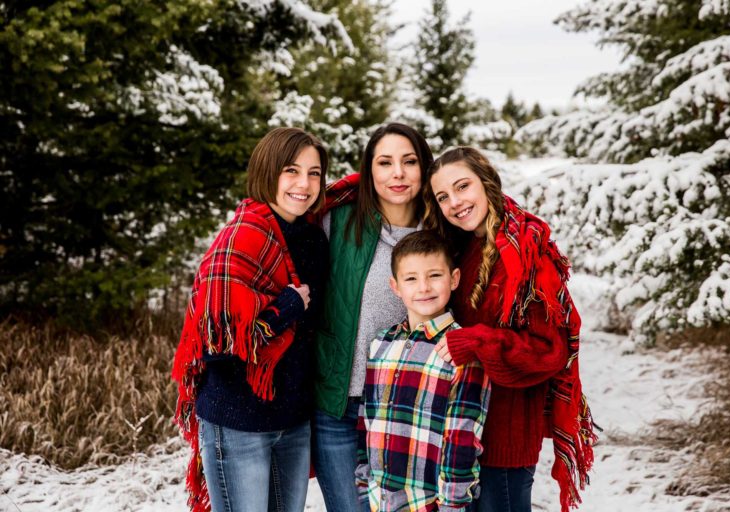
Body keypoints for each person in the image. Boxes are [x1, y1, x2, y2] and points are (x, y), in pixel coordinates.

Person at [424, 147, 598, 512]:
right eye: (443, 196)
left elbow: (549, 351)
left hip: (504, 439)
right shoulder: (462, 246)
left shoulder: (524, 250)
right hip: (460, 430)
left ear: (486, 183)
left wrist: (476, 340)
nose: (455, 202)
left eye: (462, 187)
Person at [171, 127, 330, 512]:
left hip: (292, 418)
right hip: (238, 421)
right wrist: (285, 309)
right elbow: (216, 345)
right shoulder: (240, 239)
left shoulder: (313, 238)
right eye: (291, 171)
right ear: (267, 172)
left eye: (314, 173)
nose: (304, 184)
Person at [312, 123, 434, 512]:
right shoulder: (338, 221)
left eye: (409, 162)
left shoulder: (442, 229)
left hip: (411, 406)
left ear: (424, 168)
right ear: (370, 171)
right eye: (385, 162)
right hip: (342, 404)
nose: (397, 173)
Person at [355, 230, 491, 512]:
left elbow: (463, 438)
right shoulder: (380, 345)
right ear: (396, 286)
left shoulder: (461, 351)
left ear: (454, 279)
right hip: (380, 501)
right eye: (411, 279)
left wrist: (451, 505)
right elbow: (367, 420)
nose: (424, 287)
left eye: (435, 276)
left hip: (431, 503)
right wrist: (363, 483)